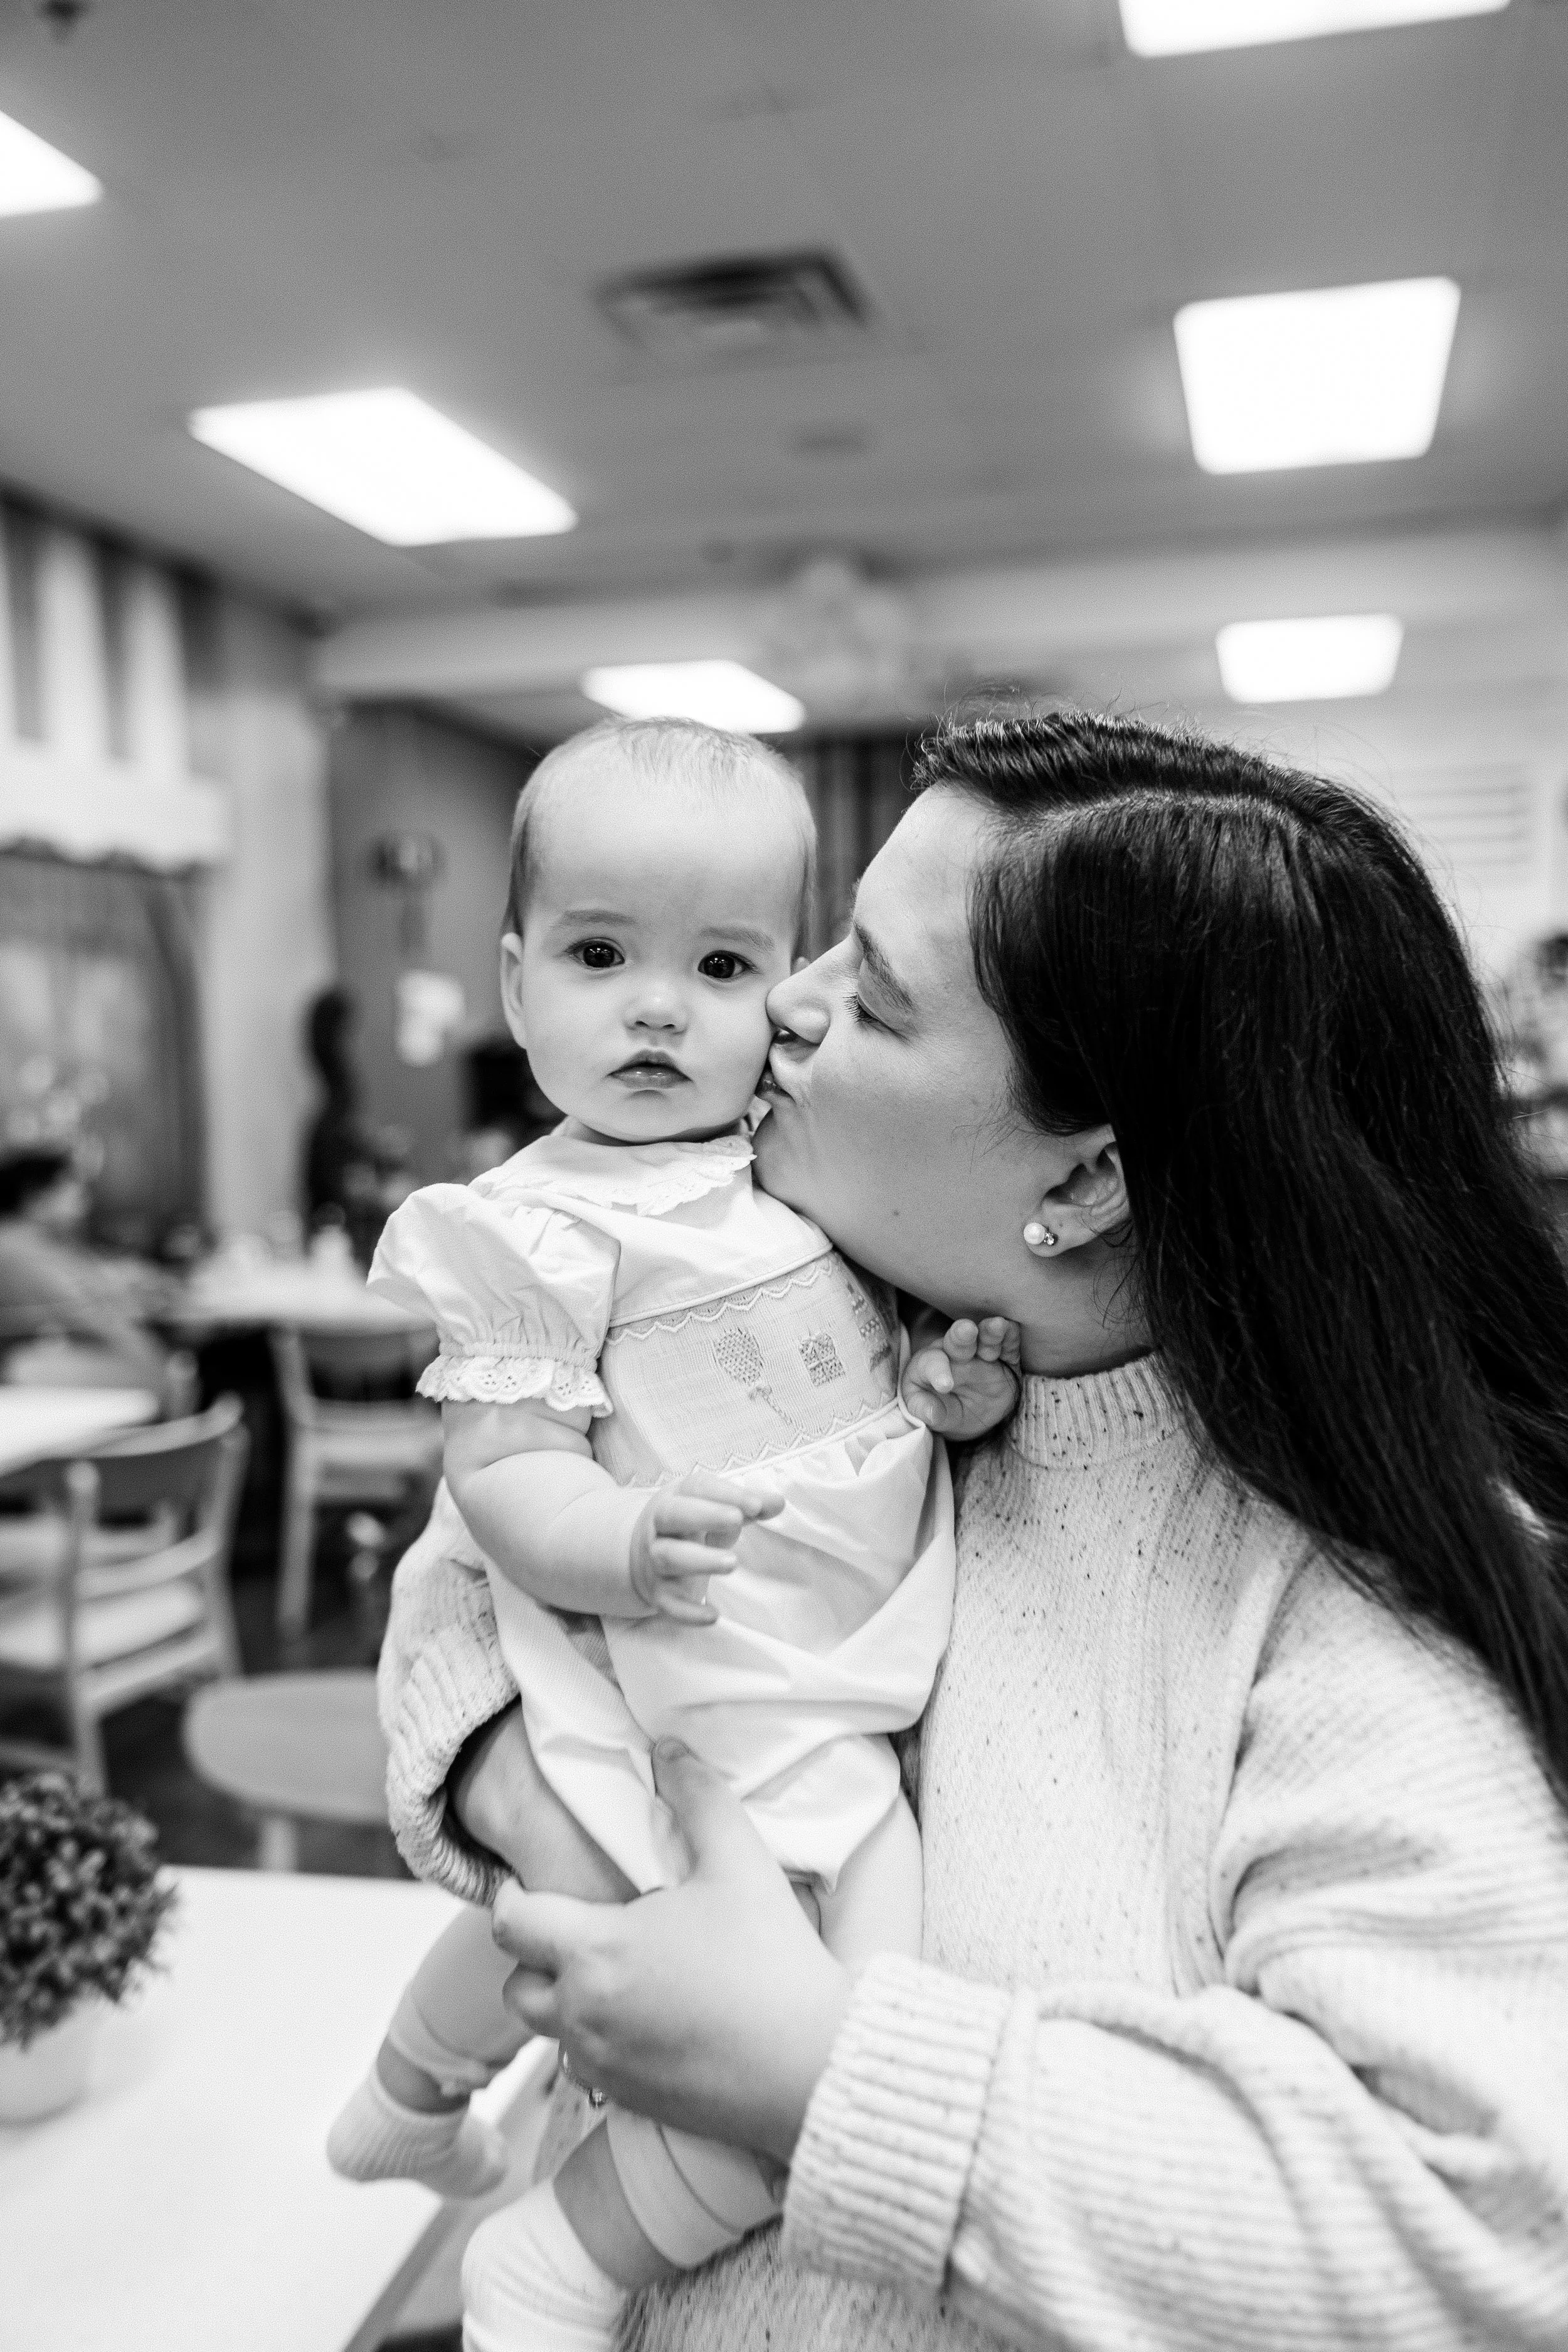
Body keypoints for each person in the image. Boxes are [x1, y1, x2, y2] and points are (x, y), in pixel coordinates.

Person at [374, 709, 1568, 2351]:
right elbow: (473, 1543)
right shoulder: (862, 1326)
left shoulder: (1342, 1616)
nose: (774, 1006)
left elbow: (1494, 2238)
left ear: (1082, 1183)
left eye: (860, 988)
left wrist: (816, 2071)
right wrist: (521, 1784)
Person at [327, 717, 1020, 2352]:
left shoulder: (806, 1177)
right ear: (514, 988)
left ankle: (409, 2103)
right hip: (672, 1659)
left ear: (787, 989)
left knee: (743, 1989)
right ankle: (542, 2233)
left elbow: (852, 1385)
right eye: (597, 952)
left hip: (830, 1656)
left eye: (717, 961)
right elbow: (498, 1475)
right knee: (686, 1957)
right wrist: (616, 1534)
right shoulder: (531, 1232)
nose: (655, 1002)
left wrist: (942, 1390)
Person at [0, 1144, 178, 1406]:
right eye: (73, 1187)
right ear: (36, 1197)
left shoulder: (44, 1243)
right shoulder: (16, 1248)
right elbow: (84, 1308)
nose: (84, 1199)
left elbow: (97, 1283)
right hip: (36, 1373)